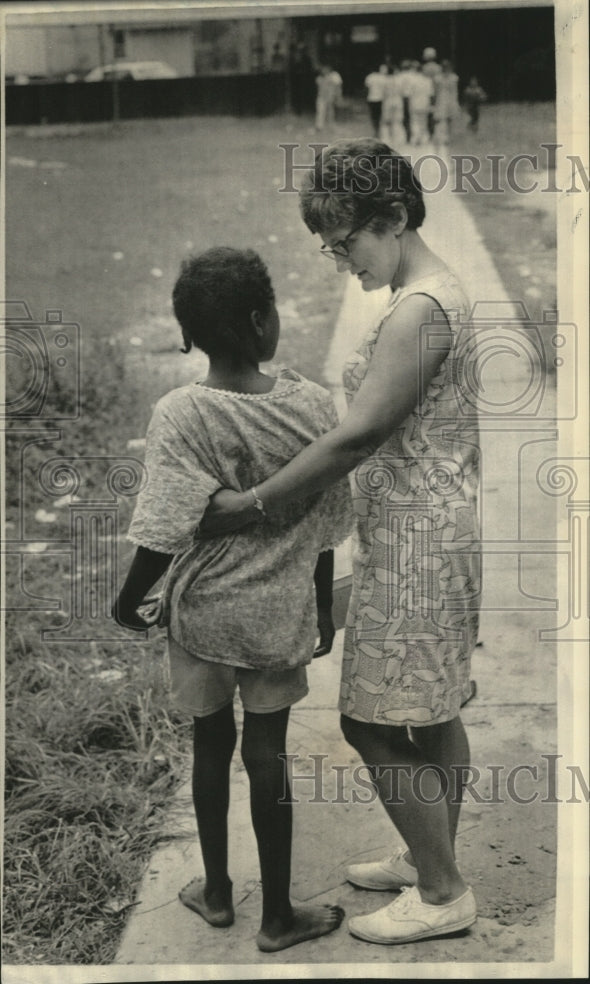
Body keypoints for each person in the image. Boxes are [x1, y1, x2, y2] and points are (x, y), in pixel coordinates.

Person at [199, 140, 481, 945]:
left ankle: (442, 890)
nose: (338, 260)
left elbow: (355, 439)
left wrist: (249, 504)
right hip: (430, 531)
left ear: (391, 218)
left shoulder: (422, 309)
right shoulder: (428, 294)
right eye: (327, 246)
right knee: (432, 710)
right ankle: (429, 851)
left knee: (370, 721)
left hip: (419, 545)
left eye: (344, 240)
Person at [113, 247, 351, 952]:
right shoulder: (311, 407)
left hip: (202, 617)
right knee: (268, 756)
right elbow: (326, 525)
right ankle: (278, 915)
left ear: (188, 336)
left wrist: (129, 601)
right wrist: (319, 609)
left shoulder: (181, 414)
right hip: (277, 614)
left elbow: (161, 529)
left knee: (209, 749)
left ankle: (216, 893)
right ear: (262, 319)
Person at [433, 59, 461, 146]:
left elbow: (455, 91)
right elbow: (436, 91)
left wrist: (455, 102)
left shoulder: (454, 77)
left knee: (449, 119)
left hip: (451, 99)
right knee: (441, 119)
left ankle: (448, 137)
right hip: (441, 99)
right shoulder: (437, 78)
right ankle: (441, 137)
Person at [408, 63, 434, 145]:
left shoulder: (412, 81)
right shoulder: (428, 81)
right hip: (425, 103)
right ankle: (423, 139)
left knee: (414, 122)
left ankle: (415, 138)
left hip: (414, 103)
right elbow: (431, 94)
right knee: (423, 122)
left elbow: (409, 94)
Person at [380, 64, 406, 147]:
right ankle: (398, 140)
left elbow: (383, 93)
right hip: (398, 101)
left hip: (388, 101)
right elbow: (402, 92)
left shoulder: (384, 80)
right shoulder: (399, 80)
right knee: (397, 121)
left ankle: (389, 139)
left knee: (388, 121)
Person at [421, 47, 442, 138]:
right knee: (435, 111)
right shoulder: (438, 67)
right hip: (436, 91)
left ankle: (431, 132)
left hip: (427, 92)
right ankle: (435, 131)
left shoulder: (424, 68)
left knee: (429, 112)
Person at [364, 63, 389, 138]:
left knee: (373, 115)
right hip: (380, 99)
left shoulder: (369, 77)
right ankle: (379, 131)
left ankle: (375, 130)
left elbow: (367, 88)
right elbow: (385, 89)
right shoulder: (382, 78)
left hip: (371, 98)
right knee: (380, 115)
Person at [315, 63, 343, 131]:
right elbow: (321, 87)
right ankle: (319, 126)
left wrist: (338, 96)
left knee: (330, 112)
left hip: (330, 97)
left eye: (326, 69)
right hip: (322, 97)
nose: (324, 70)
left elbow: (337, 87)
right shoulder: (319, 78)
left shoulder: (333, 76)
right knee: (321, 111)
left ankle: (331, 126)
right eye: (323, 69)